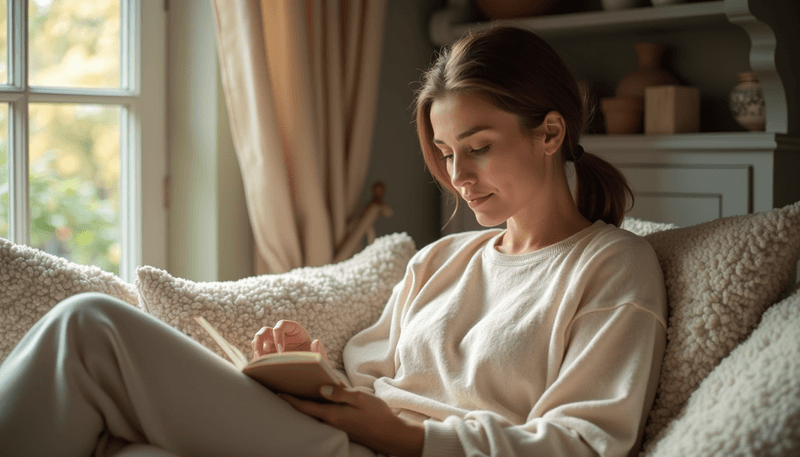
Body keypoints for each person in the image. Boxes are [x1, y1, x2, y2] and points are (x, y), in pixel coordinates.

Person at [0, 25, 667, 457]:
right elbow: (368, 377)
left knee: (89, 327)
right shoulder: (440, 261)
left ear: (550, 133)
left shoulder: (613, 266)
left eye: (479, 148)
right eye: (443, 151)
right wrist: (308, 370)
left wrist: (410, 436)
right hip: (338, 438)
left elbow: (583, 444)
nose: (458, 176)